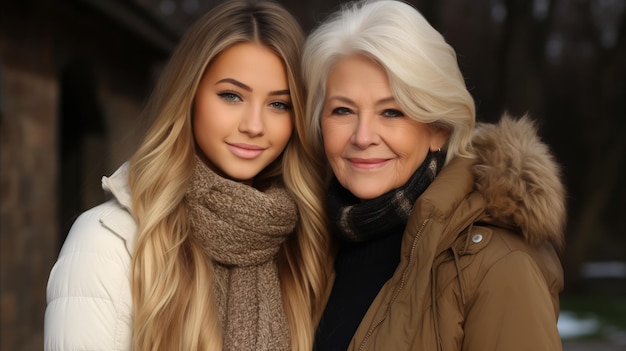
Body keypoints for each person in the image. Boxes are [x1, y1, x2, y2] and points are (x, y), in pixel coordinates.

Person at [44, 1, 331, 350]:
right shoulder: (109, 243)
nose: (254, 126)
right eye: (231, 96)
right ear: (190, 96)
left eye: (278, 104)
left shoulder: (304, 246)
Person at [302, 0, 566, 350]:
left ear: (438, 128)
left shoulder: (498, 266)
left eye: (392, 112)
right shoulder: (305, 252)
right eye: (342, 110)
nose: (363, 136)